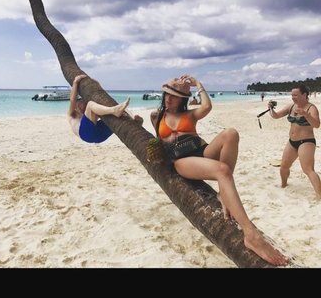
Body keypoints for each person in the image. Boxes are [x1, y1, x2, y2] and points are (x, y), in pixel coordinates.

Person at [150, 74, 288, 266]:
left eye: (174, 96)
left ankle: (224, 192)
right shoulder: (156, 116)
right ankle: (250, 234)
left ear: (182, 99)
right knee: (222, 170)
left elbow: (207, 106)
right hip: (181, 160)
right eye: (167, 94)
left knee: (231, 133)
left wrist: (198, 84)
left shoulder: (190, 115)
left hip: (202, 151)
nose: (169, 99)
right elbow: (158, 140)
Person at [267, 84, 321, 199]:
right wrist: (270, 108)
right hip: (292, 142)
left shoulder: (311, 108)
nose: (293, 97)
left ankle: (319, 195)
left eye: (295, 95)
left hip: (306, 142)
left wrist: (306, 115)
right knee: (284, 167)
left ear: (304, 95)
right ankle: (284, 185)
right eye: (292, 95)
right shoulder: (291, 106)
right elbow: (276, 116)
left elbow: (316, 125)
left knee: (308, 170)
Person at [68, 74, 131, 143]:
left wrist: (96, 85)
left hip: (99, 135)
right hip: (85, 133)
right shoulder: (72, 114)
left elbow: (101, 101)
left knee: (121, 110)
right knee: (90, 104)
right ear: (76, 105)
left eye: (82, 104)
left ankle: (134, 119)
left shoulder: (88, 116)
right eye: (78, 105)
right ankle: (114, 110)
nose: (80, 107)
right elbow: (72, 100)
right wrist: (75, 82)